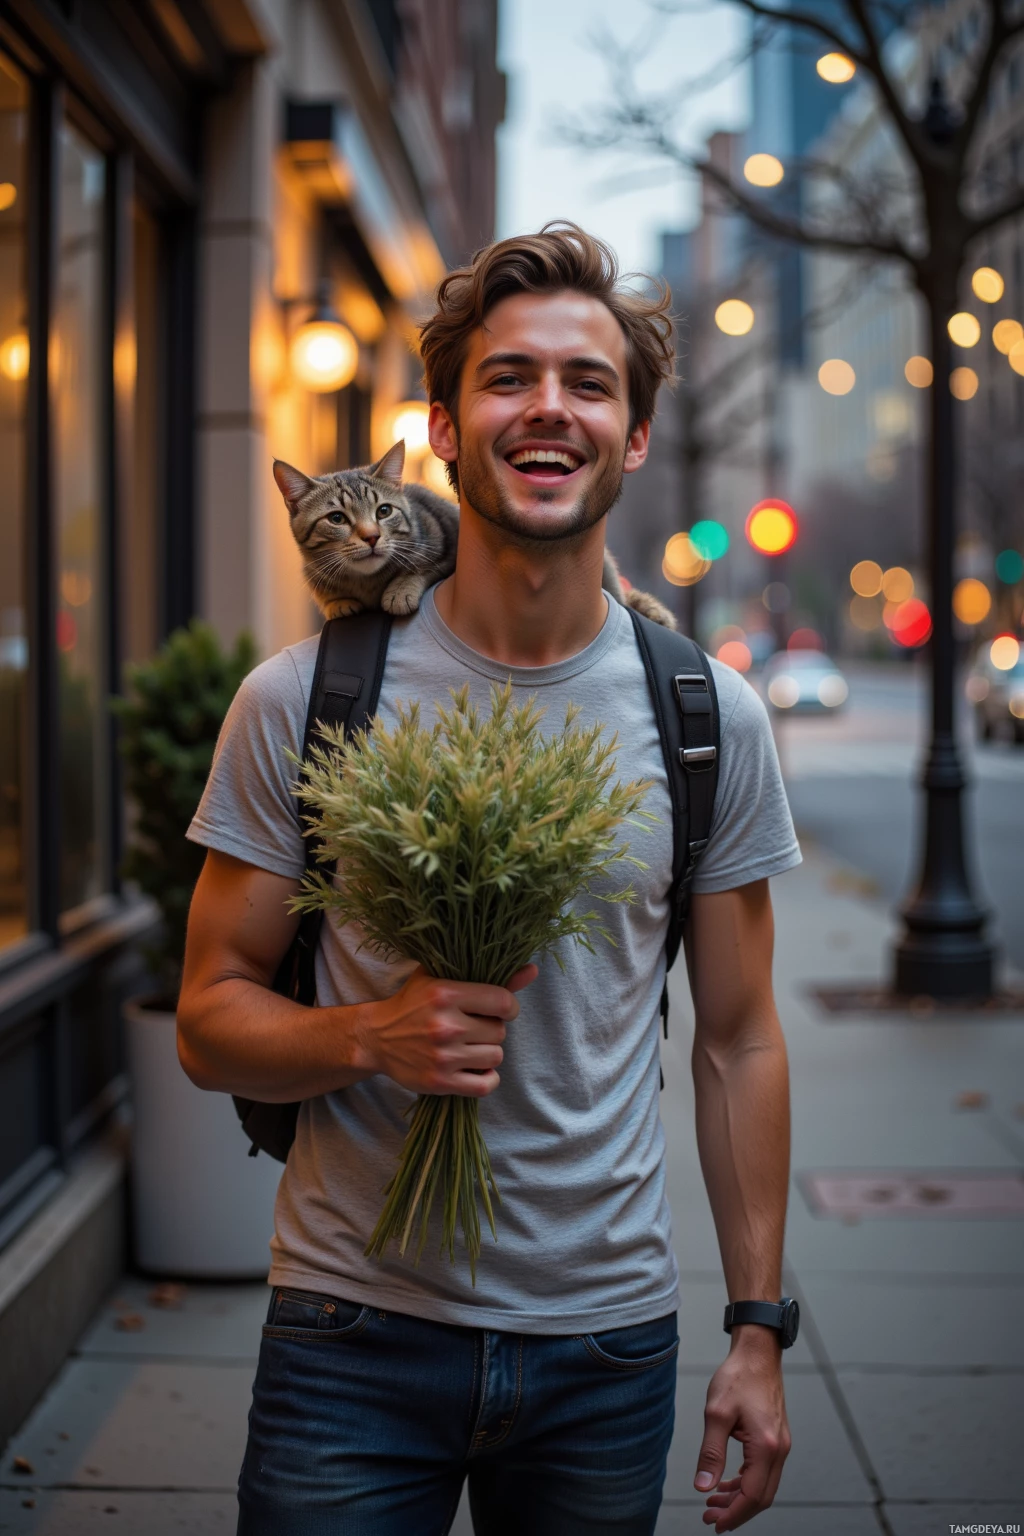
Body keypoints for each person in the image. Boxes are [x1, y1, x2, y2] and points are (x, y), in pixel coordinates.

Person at [178, 222, 801, 1536]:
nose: (549, 409)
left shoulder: (708, 717)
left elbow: (740, 1042)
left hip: (608, 1344)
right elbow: (206, 1019)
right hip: (350, 1332)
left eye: (589, 384)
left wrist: (758, 1329)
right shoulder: (303, 700)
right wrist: (369, 1034)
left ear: (633, 438)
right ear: (447, 431)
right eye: (508, 377)